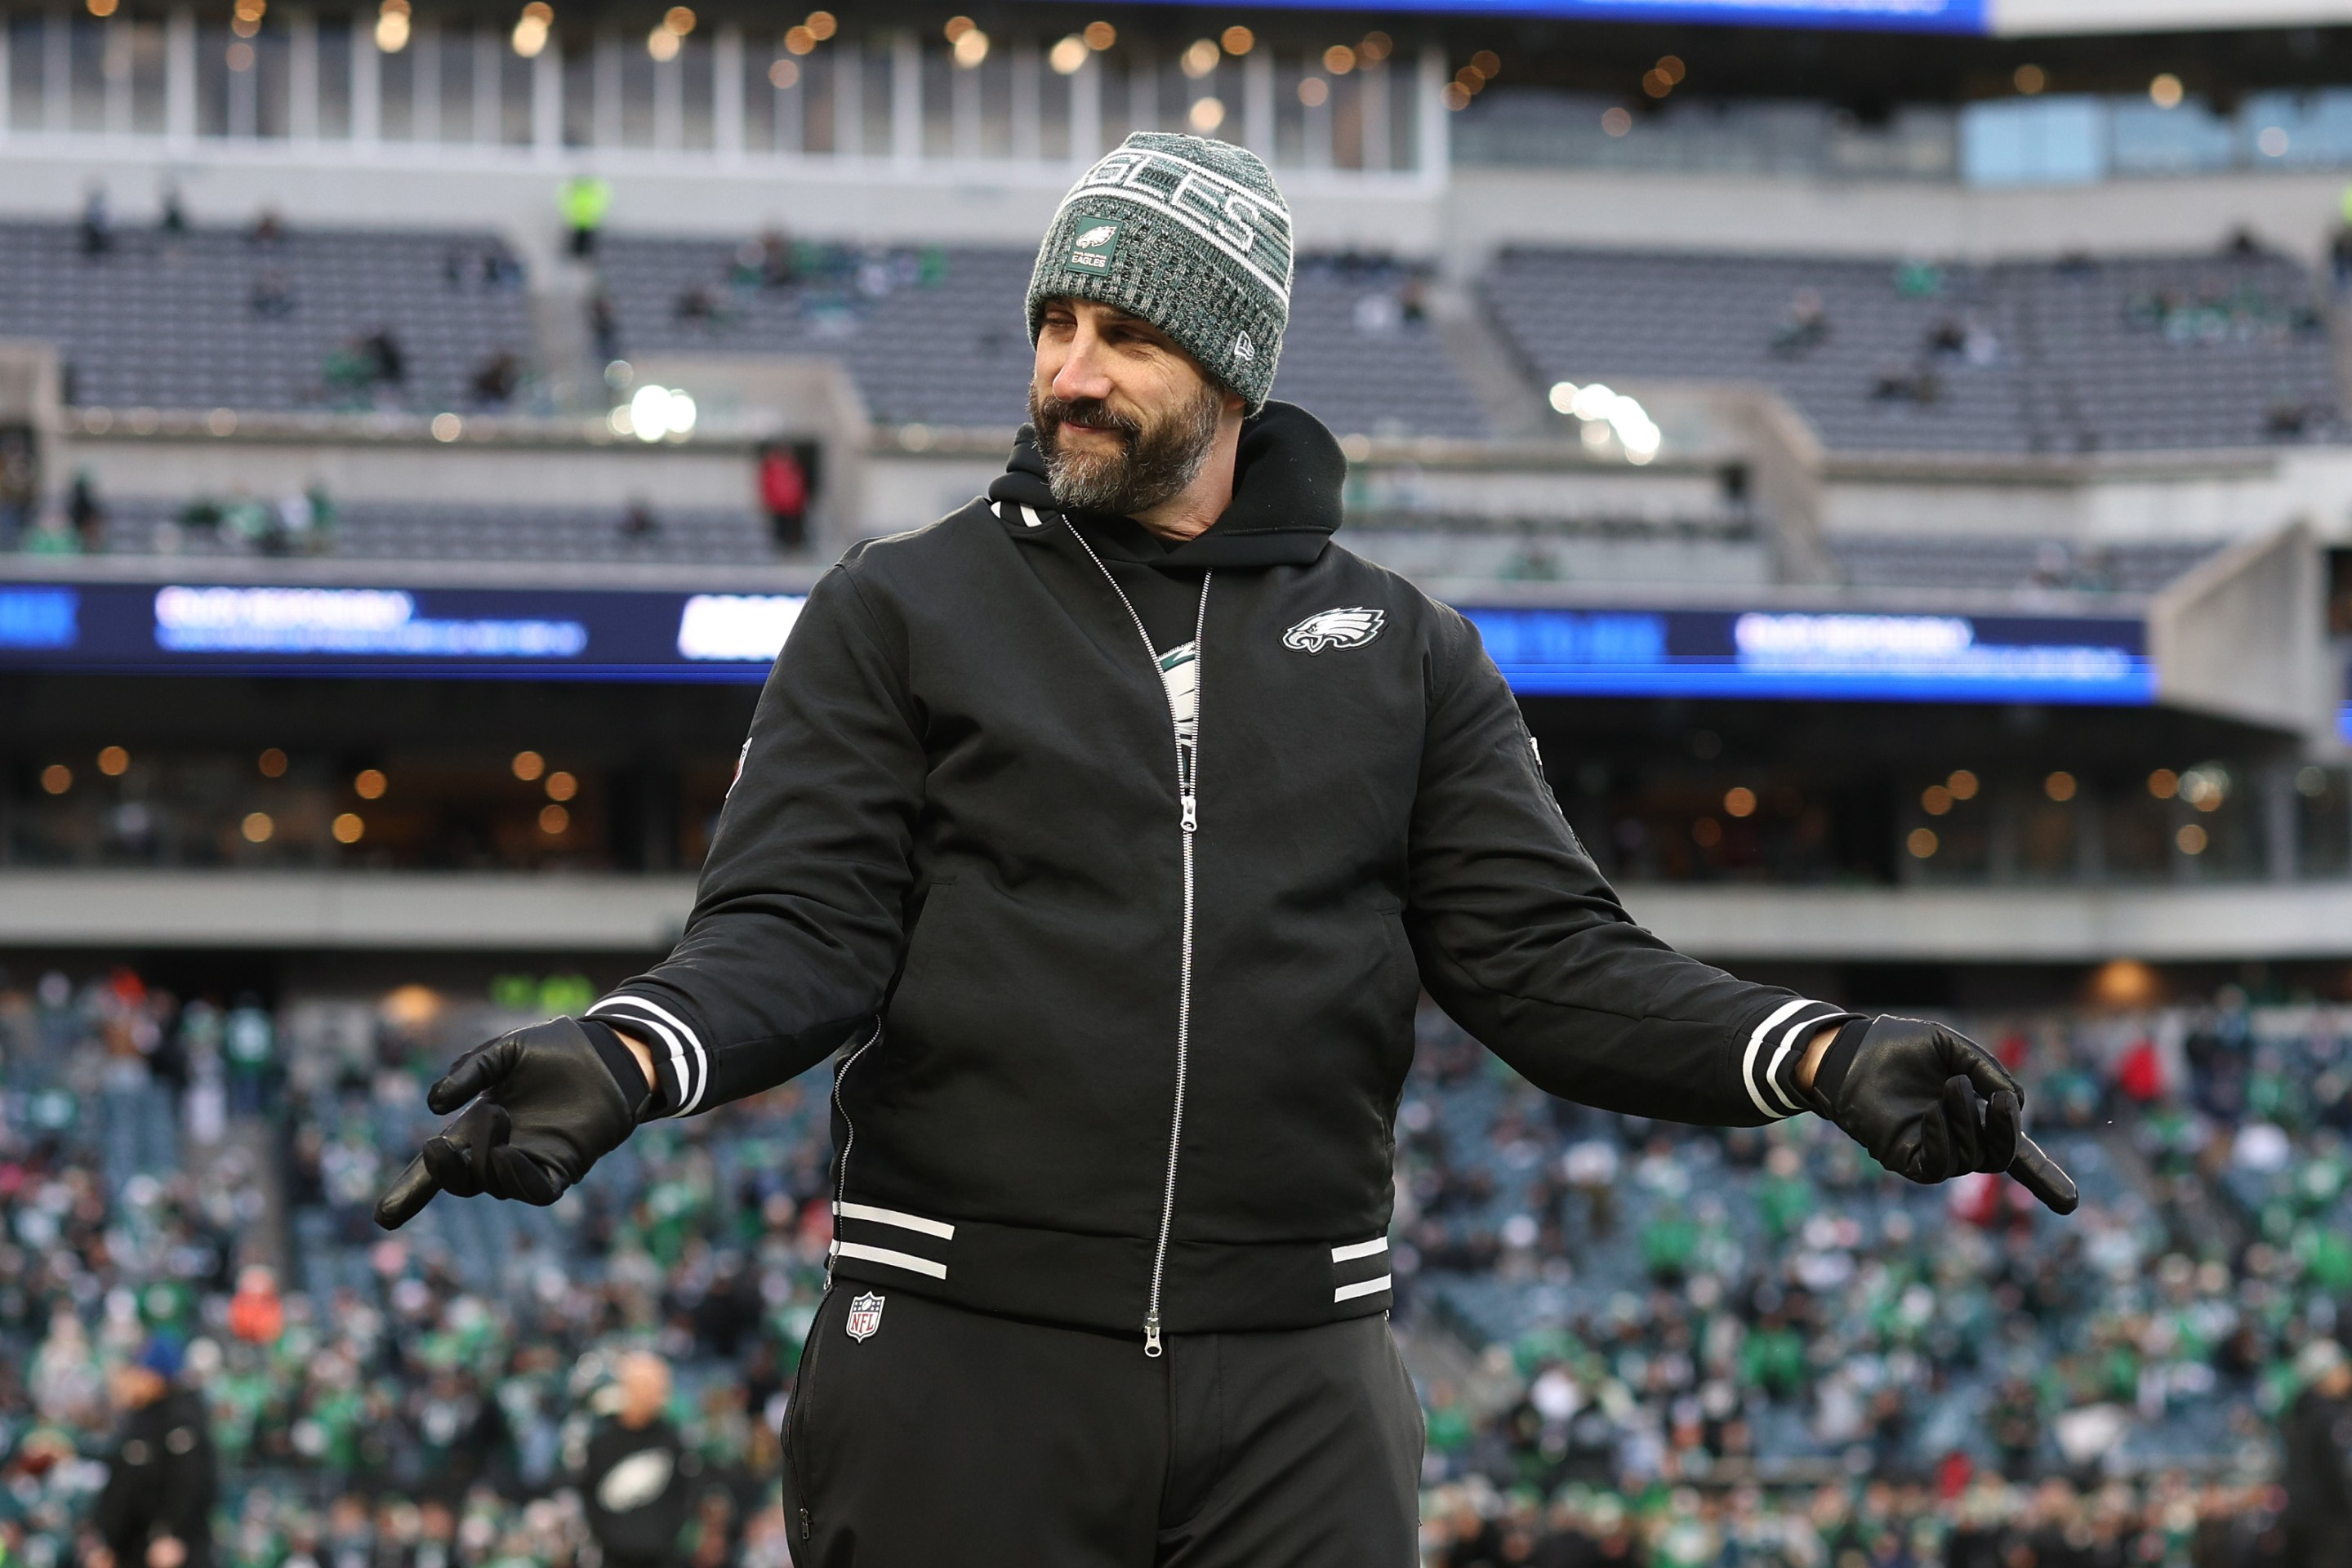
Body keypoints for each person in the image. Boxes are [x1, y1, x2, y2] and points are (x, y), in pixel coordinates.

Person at [375, 131, 2070, 1566]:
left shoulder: (1409, 651)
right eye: (1054, 324)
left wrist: (1817, 1051)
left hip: (1301, 1380)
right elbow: (799, 928)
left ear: (1235, 368)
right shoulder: (899, 608)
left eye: (1123, 334)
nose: (1069, 372)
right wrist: (631, 1051)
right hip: (963, 1351)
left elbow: (1550, 964)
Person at [91, 1337, 216, 1568]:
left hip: (165, 1549)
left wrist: (172, 1533)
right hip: (132, 1548)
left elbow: (191, 1482)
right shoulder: (140, 1419)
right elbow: (124, 1488)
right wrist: (110, 1544)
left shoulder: (180, 1417)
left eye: (137, 1372)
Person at [577, 1353, 694, 1568]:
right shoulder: (601, 1443)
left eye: (659, 1388)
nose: (653, 1395)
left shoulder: (674, 1442)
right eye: (645, 1386)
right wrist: (608, 1538)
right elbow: (588, 1495)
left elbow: (685, 1496)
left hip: (661, 1558)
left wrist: (665, 1538)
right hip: (614, 1558)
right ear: (627, 1387)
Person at [2283, 1339, 2352, 1566]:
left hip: (2299, 1515)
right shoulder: (2328, 1416)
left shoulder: (2297, 1411)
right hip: (2329, 1519)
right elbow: (2337, 1470)